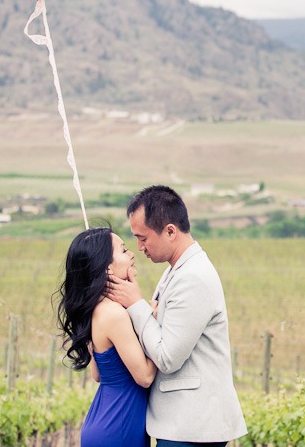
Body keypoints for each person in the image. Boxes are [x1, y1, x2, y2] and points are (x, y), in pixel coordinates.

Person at [106, 185, 247, 446]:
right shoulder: (179, 268)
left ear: (170, 231)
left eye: (143, 238)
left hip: (192, 425)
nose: (140, 247)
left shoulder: (193, 276)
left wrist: (136, 305)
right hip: (183, 423)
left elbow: (168, 357)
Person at [56, 227, 156, 447]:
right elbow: (146, 377)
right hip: (118, 427)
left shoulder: (97, 309)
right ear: (106, 268)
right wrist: (156, 322)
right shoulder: (113, 314)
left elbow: (98, 374)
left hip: (107, 419)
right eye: (123, 250)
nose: (131, 254)